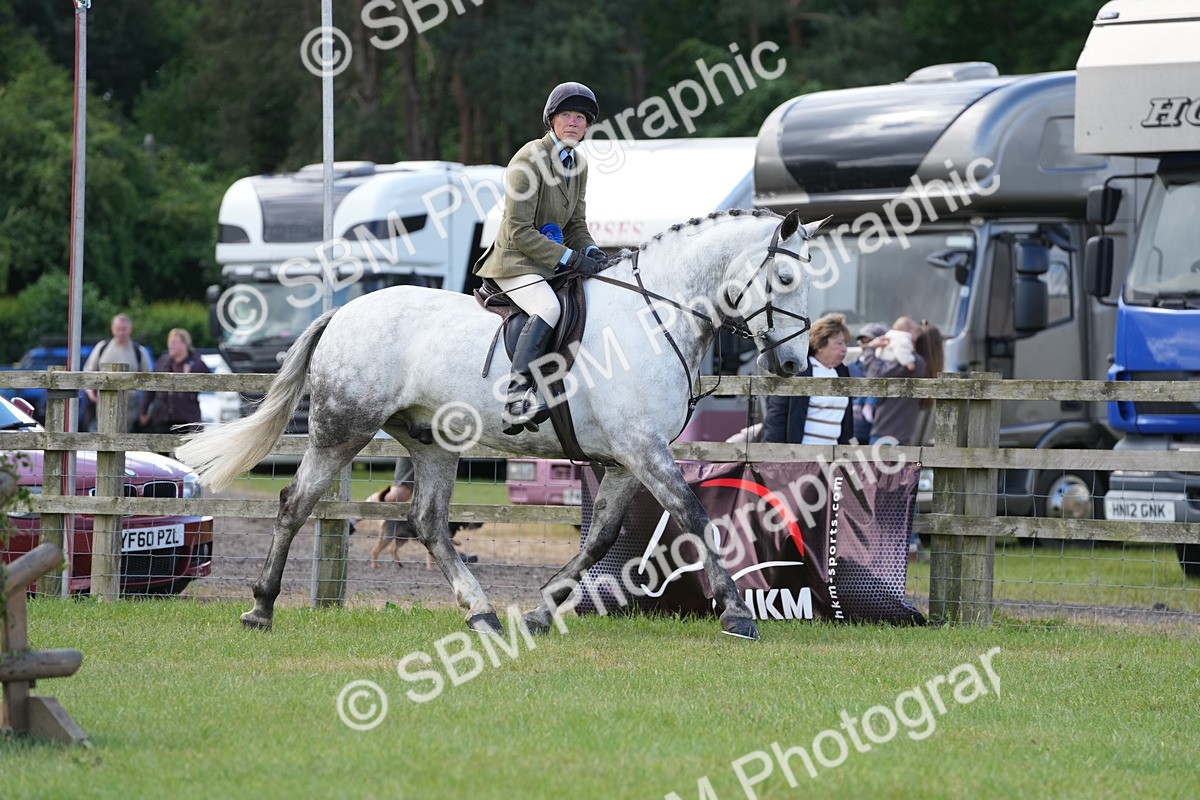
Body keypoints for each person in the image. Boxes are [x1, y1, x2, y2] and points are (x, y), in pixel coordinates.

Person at [472, 81, 607, 434]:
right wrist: (570, 259)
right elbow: (518, 230)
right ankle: (515, 397)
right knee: (549, 308)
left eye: (581, 117)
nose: (575, 122)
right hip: (514, 260)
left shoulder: (578, 164)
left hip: (547, 262)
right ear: (552, 119)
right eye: (567, 115)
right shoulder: (528, 159)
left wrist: (592, 251)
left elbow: (576, 224)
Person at [762, 313, 855, 445]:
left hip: (832, 456)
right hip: (802, 454)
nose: (844, 349)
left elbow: (847, 423)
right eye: (839, 343)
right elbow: (777, 414)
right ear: (821, 344)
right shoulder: (799, 370)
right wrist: (773, 451)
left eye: (845, 344)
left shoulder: (842, 372)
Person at [82, 313, 153, 432]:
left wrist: (147, 410)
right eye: (118, 329)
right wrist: (90, 392)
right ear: (112, 329)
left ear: (130, 329)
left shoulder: (139, 351)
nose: (121, 332)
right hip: (102, 407)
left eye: (124, 329)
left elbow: (150, 381)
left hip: (131, 411)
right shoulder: (102, 347)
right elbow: (88, 371)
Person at [138, 328, 210, 433]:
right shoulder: (163, 361)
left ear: (185, 344)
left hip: (187, 418)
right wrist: (143, 411)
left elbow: (209, 379)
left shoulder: (196, 362)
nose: (170, 345)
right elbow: (150, 387)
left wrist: (192, 372)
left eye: (174, 342)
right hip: (163, 417)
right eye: (169, 342)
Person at [849, 322, 886, 444]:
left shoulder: (888, 368)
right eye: (863, 342)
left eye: (870, 342)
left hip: (881, 432)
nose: (865, 346)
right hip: (854, 431)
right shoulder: (850, 368)